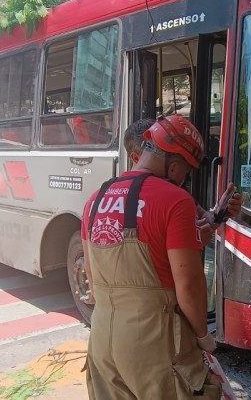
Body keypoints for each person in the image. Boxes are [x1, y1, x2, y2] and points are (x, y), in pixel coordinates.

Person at [82, 115, 222, 399]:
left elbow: (92, 277)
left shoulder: (94, 200)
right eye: (187, 171)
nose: (185, 178)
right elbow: (189, 287)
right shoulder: (175, 200)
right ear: (174, 166)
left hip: (101, 340)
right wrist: (203, 337)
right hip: (154, 343)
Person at [123, 118, 242, 243]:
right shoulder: (127, 200)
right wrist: (191, 241)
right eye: (151, 150)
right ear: (136, 158)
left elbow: (204, 218)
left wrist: (219, 213)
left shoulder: (175, 192)